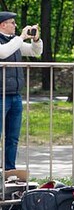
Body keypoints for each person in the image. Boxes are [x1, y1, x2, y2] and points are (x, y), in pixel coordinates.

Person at [0, 12, 44, 173]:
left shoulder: (14, 42)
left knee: (12, 137)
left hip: (15, 95)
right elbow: (3, 53)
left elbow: (35, 52)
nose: (15, 25)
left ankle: (9, 170)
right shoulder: (12, 42)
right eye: (12, 22)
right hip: (0, 95)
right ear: (3, 25)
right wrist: (21, 37)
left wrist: (36, 40)